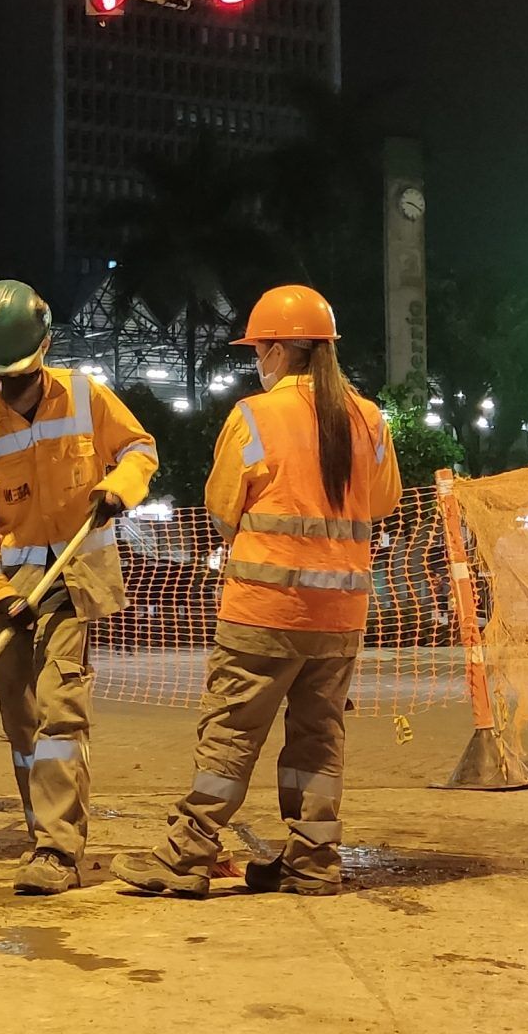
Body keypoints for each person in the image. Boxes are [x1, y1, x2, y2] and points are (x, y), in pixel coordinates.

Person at [110, 284, 401, 898]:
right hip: (341, 615)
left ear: (275, 350)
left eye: (258, 350)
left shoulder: (256, 415)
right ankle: (312, 861)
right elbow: (383, 501)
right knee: (318, 738)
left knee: (231, 731)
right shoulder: (368, 417)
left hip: (265, 609)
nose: (255, 361)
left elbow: (222, 510)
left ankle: (186, 854)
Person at [0, 279, 159, 895]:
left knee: (61, 707)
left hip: (75, 573)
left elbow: (140, 448)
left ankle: (58, 849)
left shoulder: (85, 395)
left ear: (44, 348)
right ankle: (38, 825)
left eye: (21, 372)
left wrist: (119, 487)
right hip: (10, 585)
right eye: (3, 375)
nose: (13, 385)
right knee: (21, 718)